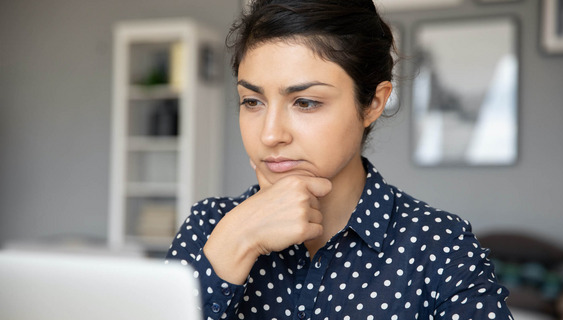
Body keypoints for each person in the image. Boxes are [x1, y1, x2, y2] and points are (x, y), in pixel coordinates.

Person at [166, 0, 514, 319]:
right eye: (252, 102)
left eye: (305, 102)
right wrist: (235, 244)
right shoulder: (209, 228)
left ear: (373, 103)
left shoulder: (440, 246)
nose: (270, 135)